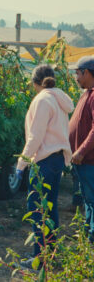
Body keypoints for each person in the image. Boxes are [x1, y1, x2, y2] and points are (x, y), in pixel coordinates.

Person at [16, 64, 74, 267]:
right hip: (57, 160)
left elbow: (35, 136)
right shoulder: (60, 99)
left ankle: (39, 259)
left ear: (35, 83)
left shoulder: (42, 100)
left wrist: (21, 163)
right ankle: (50, 254)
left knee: (37, 208)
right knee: (50, 207)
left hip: (44, 161)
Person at [69, 56, 94, 242]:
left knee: (92, 201)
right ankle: (88, 238)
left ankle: (91, 239)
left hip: (89, 161)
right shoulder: (87, 93)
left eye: (77, 73)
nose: (76, 77)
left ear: (86, 72)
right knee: (88, 200)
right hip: (82, 162)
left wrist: (81, 151)